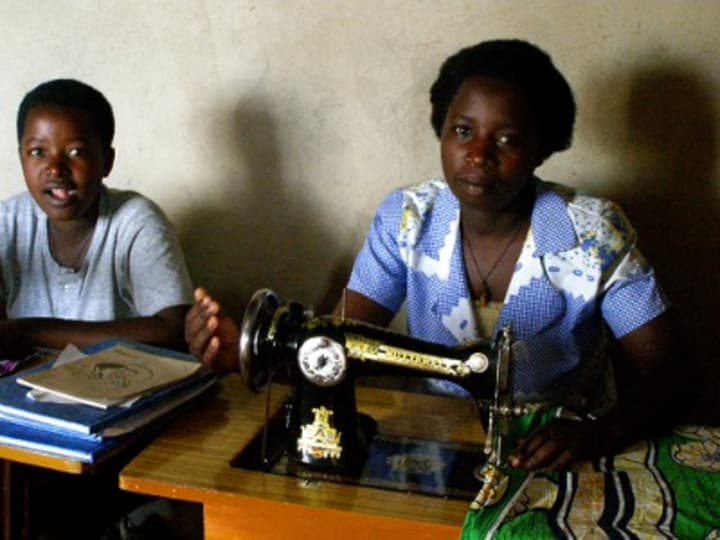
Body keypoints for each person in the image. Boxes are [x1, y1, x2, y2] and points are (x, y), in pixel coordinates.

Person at [185, 39, 692, 473]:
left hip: (563, 451)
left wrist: (600, 434)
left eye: (508, 139)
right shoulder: (407, 219)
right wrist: (241, 353)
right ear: (441, 131)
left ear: (543, 148)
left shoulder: (593, 233)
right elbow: (335, 347)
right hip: (436, 441)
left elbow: (673, 375)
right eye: (463, 131)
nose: (478, 154)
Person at [0, 78, 194, 356]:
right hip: (27, 392)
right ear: (21, 159)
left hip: (120, 392)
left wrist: (28, 331)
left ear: (107, 160)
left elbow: (174, 331)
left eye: (76, 152)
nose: (55, 168)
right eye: (38, 152)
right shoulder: (10, 221)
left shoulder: (135, 221)